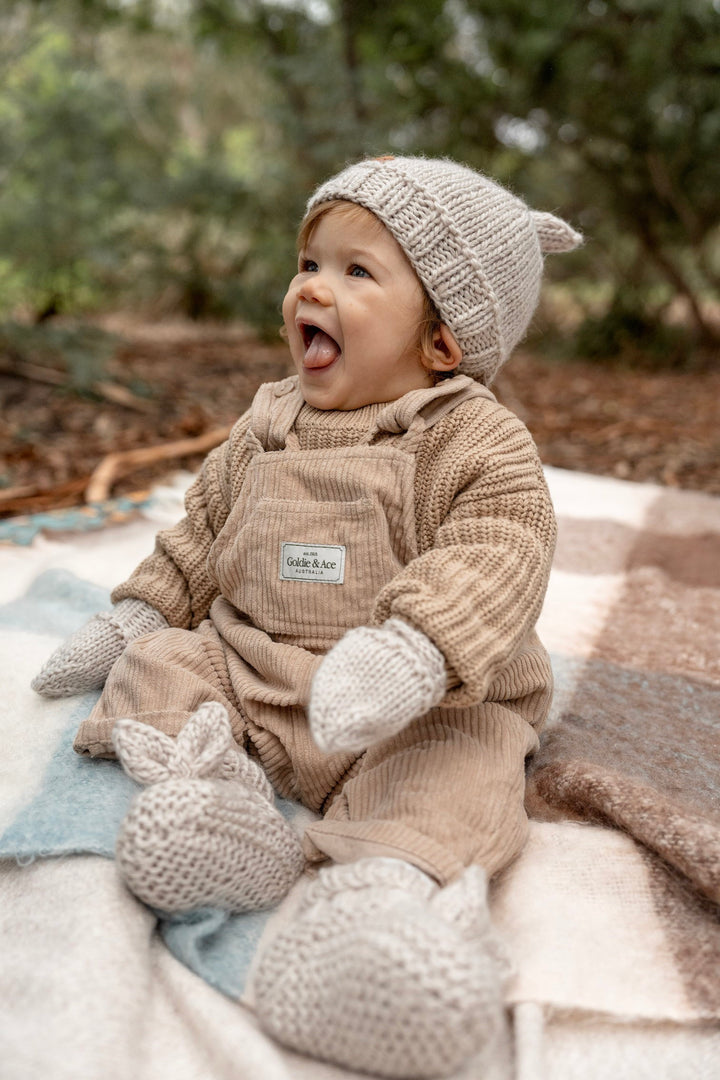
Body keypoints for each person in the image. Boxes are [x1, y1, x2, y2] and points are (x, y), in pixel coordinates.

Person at [33, 155, 581, 1079]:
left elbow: (501, 549)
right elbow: (203, 534)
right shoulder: (268, 422)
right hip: (255, 680)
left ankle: (376, 907)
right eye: (309, 263)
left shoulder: (473, 437)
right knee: (167, 663)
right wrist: (136, 615)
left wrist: (416, 647)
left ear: (442, 341)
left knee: (475, 755)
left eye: (356, 272)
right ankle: (216, 811)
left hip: (412, 709)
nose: (311, 290)